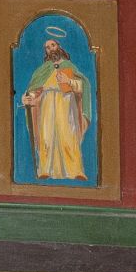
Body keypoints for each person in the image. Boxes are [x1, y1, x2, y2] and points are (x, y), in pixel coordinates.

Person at [18, 32, 92, 182]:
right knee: (47, 136)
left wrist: (69, 81)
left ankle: (75, 170)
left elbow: (83, 86)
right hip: (46, 105)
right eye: (47, 47)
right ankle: (45, 169)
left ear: (59, 46)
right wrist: (26, 98)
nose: (51, 49)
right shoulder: (42, 70)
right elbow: (35, 90)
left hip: (66, 103)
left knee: (68, 136)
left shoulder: (69, 66)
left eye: (53, 45)